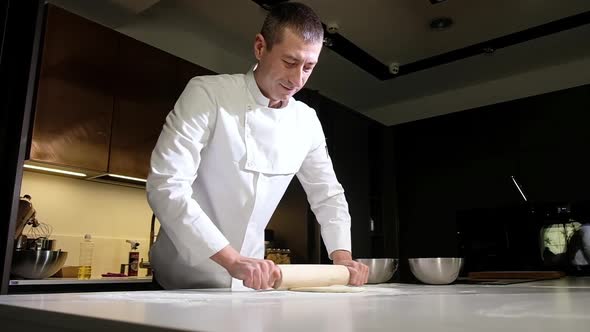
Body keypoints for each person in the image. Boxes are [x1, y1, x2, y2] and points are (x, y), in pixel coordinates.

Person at [146, 2, 368, 290]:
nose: (297, 79)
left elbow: (327, 195)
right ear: (260, 48)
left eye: (309, 67)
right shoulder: (208, 94)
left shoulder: (307, 121)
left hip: (250, 281)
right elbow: (165, 186)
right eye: (290, 62)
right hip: (179, 278)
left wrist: (343, 258)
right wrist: (231, 259)